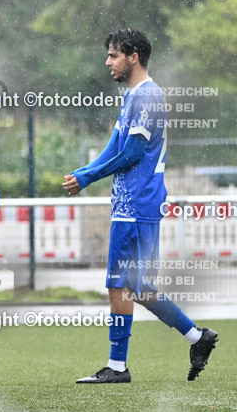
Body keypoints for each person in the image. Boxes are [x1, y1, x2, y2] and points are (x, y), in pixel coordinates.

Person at [64, 28, 218, 383]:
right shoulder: (133, 96)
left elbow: (132, 153)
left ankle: (117, 367)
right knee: (140, 288)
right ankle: (198, 337)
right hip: (133, 205)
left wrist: (89, 178)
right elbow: (116, 144)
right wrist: (85, 172)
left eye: (114, 55)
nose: (108, 62)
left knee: (120, 285)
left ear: (134, 57)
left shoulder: (148, 97)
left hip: (136, 205)